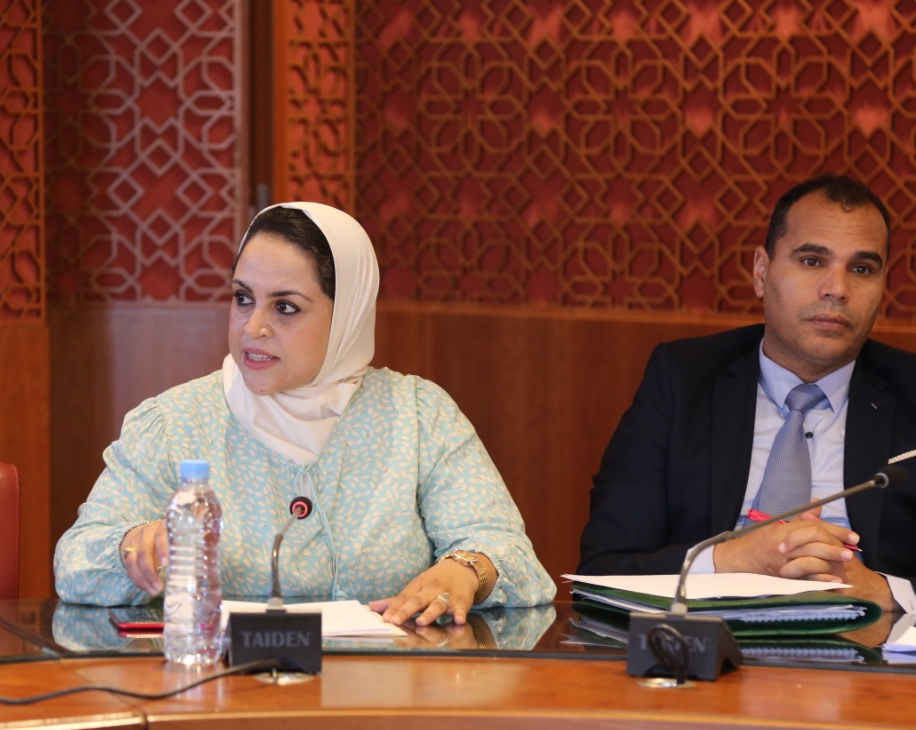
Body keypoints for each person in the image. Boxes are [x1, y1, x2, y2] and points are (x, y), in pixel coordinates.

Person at [56, 201, 555, 625]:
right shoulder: (174, 422)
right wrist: (131, 547)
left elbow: (510, 555)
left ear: (347, 316)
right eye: (242, 299)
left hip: (386, 696)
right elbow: (75, 562)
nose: (253, 327)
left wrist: (466, 571)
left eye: (285, 307)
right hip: (226, 692)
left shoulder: (419, 417)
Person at [579, 174, 916, 618]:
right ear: (762, 271)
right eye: (812, 261)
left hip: (862, 647)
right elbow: (603, 571)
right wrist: (731, 561)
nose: (837, 289)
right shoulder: (682, 380)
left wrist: (880, 591)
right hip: (705, 642)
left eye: (861, 269)